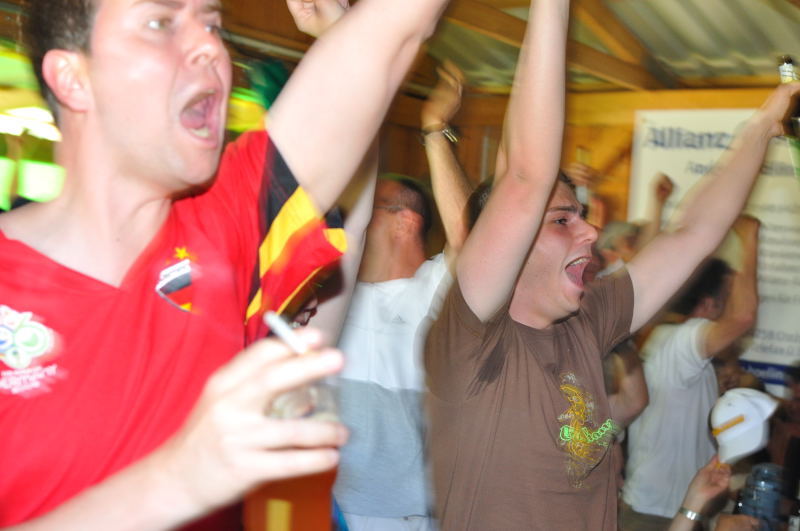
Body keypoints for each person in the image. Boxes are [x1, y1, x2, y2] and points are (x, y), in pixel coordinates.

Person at [0, 0, 451, 528]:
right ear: (73, 79)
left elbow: (397, 28)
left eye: (212, 24)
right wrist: (178, 478)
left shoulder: (228, 226)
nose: (211, 47)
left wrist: (340, 29)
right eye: (160, 23)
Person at [423, 0, 800, 527]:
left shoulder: (587, 320)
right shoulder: (474, 338)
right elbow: (527, 175)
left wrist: (765, 121)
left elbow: (694, 232)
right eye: (562, 221)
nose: (591, 230)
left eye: (582, 215)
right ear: (510, 241)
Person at [334, 62, 472, 530]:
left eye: (366, 210)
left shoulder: (432, 290)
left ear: (403, 221)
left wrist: (435, 131)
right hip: (325, 509)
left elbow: (470, 239)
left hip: (408, 516)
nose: (349, 219)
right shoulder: (329, 296)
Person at [622, 216, 761, 530]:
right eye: (728, 300)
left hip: (669, 510)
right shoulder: (682, 340)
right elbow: (743, 317)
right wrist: (749, 237)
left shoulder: (671, 342)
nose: (731, 309)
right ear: (709, 305)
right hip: (656, 517)